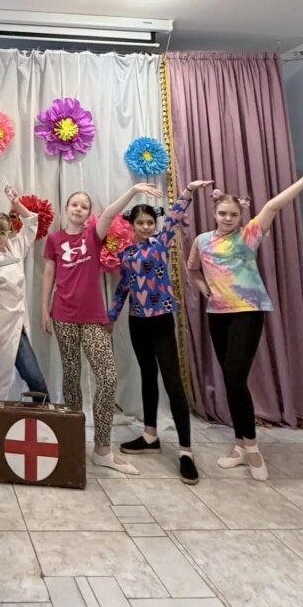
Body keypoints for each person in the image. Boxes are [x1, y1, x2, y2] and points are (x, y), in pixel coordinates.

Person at [187, 168, 303, 480]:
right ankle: (240, 445)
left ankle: (251, 447)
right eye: (223, 213)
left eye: (233, 214)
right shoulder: (202, 241)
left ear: (240, 216)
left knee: (236, 376)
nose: (228, 218)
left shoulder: (248, 235)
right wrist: (205, 290)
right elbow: (192, 269)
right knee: (231, 381)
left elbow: (273, 206)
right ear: (214, 213)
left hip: (248, 311)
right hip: (218, 314)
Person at [106, 180, 212, 485]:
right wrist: (111, 317)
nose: (145, 227)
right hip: (137, 322)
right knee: (147, 376)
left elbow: (175, 215)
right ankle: (150, 435)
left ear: (155, 224)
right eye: (140, 223)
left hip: (162, 320)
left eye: (150, 222)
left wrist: (188, 191)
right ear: (132, 225)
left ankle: (186, 451)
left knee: (173, 383)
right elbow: (123, 288)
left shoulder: (161, 243)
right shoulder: (126, 254)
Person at [42, 190, 139, 474]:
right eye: (74, 204)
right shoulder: (54, 240)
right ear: (66, 208)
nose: (78, 209)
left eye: (84, 206)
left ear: (88, 213)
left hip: (93, 318)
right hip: (63, 316)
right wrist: (43, 310)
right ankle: (73, 442)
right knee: (71, 379)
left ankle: (102, 449)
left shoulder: (93, 236)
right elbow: (48, 275)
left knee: (108, 378)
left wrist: (133, 192)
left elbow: (109, 214)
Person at [0, 185, 48, 400]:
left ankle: (45, 418)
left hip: (18, 324)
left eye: (2, 233)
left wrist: (16, 204)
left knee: (36, 380)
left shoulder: (15, 248)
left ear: (9, 233)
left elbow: (31, 222)